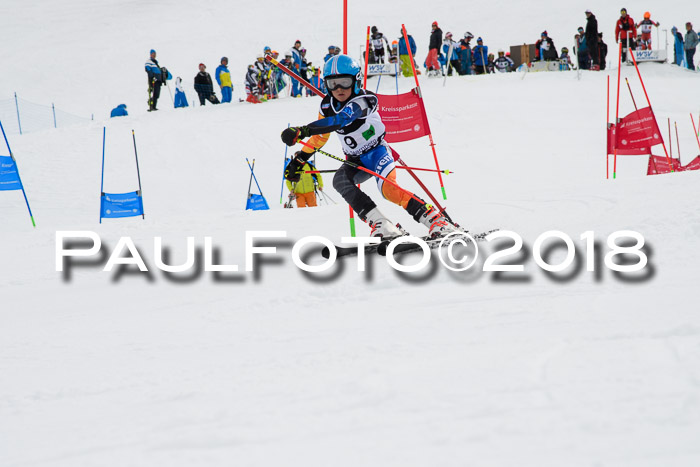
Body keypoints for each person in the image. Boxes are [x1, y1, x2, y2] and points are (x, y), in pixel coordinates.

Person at [280, 54, 460, 239]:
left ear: (356, 80)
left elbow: (341, 120)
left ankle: (436, 220)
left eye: (344, 82)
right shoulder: (326, 106)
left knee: (389, 190)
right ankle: (382, 224)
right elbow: (320, 138)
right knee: (340, 181)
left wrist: (302, 130)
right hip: (355, 159)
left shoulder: (365, 99)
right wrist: (300, 159)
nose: (339, 88)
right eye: (333, 83)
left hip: (377, 152)